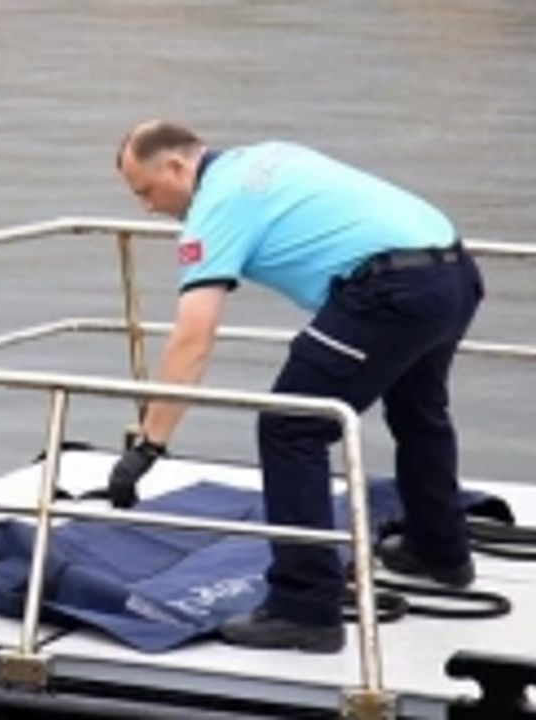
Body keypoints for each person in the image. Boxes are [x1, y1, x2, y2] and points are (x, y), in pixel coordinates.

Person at [108, 121, 483, 653]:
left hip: (390, 289)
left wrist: (149, 445)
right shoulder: (267, 156)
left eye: (146, 191)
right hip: (454, 273)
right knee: (417, 409)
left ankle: (305, 608)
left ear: (175, 166)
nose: (148, 208)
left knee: (291, 426)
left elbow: (192, 339)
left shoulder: (216, 207)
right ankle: (440, 550)